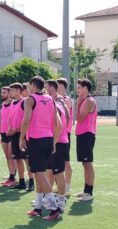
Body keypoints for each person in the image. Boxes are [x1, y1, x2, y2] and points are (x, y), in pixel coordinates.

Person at [20, 76, 62, 220]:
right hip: (48, 139)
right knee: (40, 175)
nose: (27, 88)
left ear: (32, 85)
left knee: (40, 175)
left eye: (28, 85)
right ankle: (38, 208)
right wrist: (54, 142)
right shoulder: (50, 99)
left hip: (36, 140)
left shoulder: (30, 99)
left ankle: (54, 208)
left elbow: (25, 121)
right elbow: (56, 123)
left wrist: (21, 138)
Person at [45, 80, 70, 212]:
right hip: (55, 142)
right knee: (49, 171)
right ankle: (49, 199)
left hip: (59, 143)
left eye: (45, 88)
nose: (43, 90)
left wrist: (53, 143)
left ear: (51, 89)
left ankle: (61, 200)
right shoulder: (53, 103)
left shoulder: (56, 104)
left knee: (58, 173)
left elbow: (59, 125)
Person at [4, 83, 34, 191]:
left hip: (23, 134)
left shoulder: (24, 102)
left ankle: (31, 182)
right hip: (14, 135)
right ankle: (21, 182)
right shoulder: (12, 103)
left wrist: (16, 130)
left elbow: (28, 120)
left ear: (18, 91)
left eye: (12, 90)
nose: (10, 92)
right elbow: (10, 118)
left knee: (27, 159)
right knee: (18, 159)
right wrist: (9, 129)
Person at [75, 78, 97, 201]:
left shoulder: (89, 101)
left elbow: (79, 118)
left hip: (87, 134)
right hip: (82, 134)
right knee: (85, 163)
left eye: (79, 87)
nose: (77, 90)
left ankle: (89, 192)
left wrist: (78, 105)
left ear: (85, 88)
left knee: (87, 163)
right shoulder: (85, 101)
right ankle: (86, 190)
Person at [57, 78, 73, 195]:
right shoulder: (58, 99)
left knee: (66, 161)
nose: (57, 89)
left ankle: (67, 186)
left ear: (64, 88)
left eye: (59, 86)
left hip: (65, 133)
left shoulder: (66, 100)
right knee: (58, 162)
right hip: (59, 133)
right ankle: (61, 186)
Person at [0, 86, 14, 184]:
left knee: (12, 156)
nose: (2, 94)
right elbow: (1, 120)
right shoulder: (1, 105)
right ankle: (11, 175)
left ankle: (12, 177)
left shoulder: (13, 103)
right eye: (1, 92)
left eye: (4, 93)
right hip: (3, 133)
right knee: (7, 156)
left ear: (9, 93)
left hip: (11, 133)